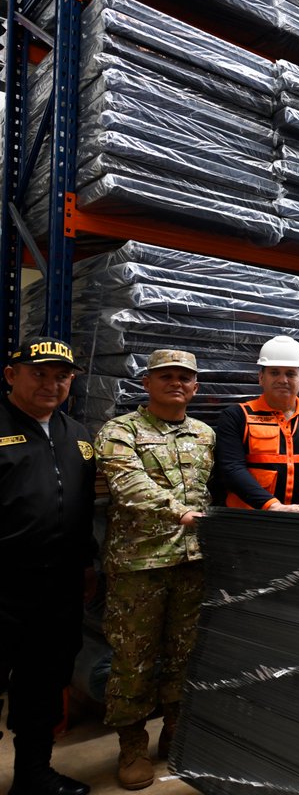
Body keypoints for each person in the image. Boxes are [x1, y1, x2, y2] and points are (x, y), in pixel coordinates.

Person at [94, 350, 214, 789]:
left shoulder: (204, 434)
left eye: (185, 377)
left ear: (196, 387)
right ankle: (131, 747)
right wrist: (178, 511)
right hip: (139, 564)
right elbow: (127, 485)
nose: (176, 383)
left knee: (185, 655)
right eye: (166, 376)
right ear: (147, 382)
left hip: (191, 562)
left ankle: (175, 734)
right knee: (133, 659)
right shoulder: (121, 430)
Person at [0, 336, 95, 795]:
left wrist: (89, 566)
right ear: (10, 375)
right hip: (2, 586)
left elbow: (82, 510)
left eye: (62, 376)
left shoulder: (78, 435)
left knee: (42, 685)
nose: (51, 384)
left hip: (58, 589)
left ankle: (32, 776)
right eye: (39, 373)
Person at [214, 335, 299, 511]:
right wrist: (273, 506)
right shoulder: (237, 416)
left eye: (290, 373)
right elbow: (231, 469)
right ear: (261, 377)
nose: (283, 380)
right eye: (274, 372)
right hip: (252, 520)